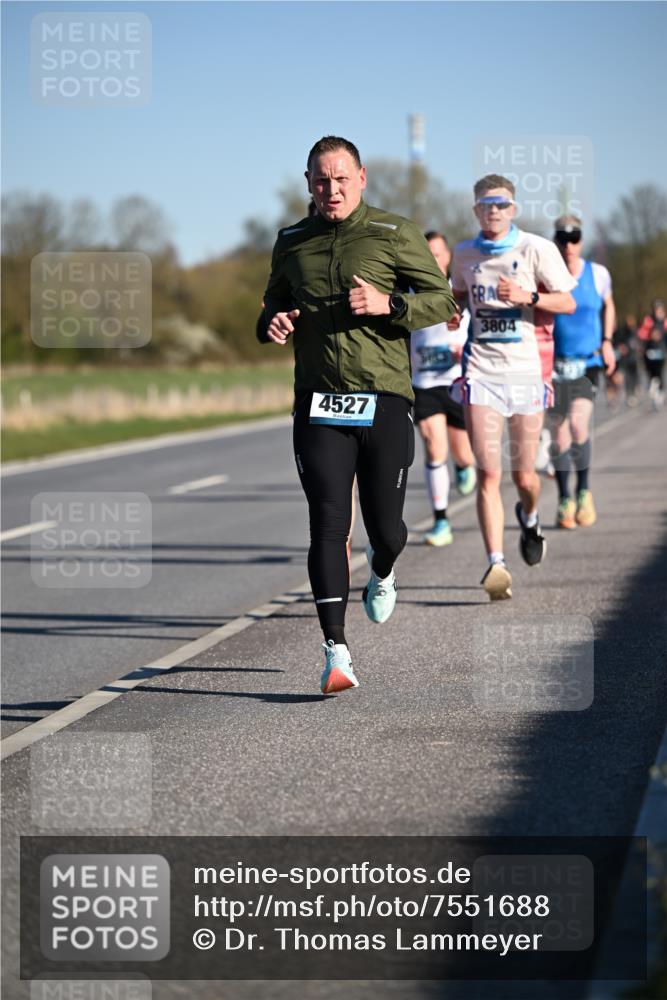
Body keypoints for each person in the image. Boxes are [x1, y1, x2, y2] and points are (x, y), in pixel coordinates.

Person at [261, 136, 456, 692]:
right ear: (308, 183)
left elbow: (443, 300)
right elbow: (271, 306)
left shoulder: (395, 233)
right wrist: (272, 324)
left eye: (342, 179)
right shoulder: (292, 241)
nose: (332, 189)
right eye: (321, 181)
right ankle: (335, 652)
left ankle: (385, 567)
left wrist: (389, 304)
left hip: (385, 399)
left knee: (387, 529)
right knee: (327, 523)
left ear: (362, 178)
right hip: (318, 401)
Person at [450, 175, 576, 601]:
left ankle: (530, 514)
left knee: (524, 476)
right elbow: (458, 295)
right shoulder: (464, 253)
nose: (494, 212)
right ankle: (496, 564)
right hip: (481, 372)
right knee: (489, 473)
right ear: (475, 210)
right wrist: (454, 314)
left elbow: (568, 301)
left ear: (514, 209)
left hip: (526, 374)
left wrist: (528, 296)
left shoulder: (538, 249)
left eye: (501, 204)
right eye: (486, 205)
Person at [547, 216, 616, 530]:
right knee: (559, 435)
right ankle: (565, 499)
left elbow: (608, 306)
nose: (569, 244)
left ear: (582, 241)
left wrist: (607, 341)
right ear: (555, 240)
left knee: (577, 424)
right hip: (554, 364)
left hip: (587, 362)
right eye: (562, 237)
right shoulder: (546, 273)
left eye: (574, 237)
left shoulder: (598, 274)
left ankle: (584, 491)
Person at [411, 230, 476, 547]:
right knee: (434, 447)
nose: (433, 260)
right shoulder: (410, 292)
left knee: (462, 452)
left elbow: (474, 331)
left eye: (438, 254)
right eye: (428, 254)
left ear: (448, 257)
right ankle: (441, 522)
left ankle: (465, 467)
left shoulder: (459, 291)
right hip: (424, 383)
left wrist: (461, 350)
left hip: (456, 381)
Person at [639, 299, 667, 409]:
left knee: (659, 374)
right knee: (651, 374)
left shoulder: (665, 321)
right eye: (656, 309)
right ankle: (655, 393)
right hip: (649, 351)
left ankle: (660, 394)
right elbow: (641, 334)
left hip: (660, 352)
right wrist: (650, 335)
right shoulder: (648, 320)